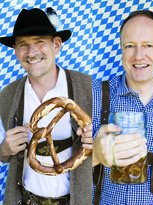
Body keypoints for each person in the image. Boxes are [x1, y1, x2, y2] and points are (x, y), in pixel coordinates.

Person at [0, 8, 93, 205]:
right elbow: (2, 155)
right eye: (23, 45)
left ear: (56, 45)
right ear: (15, 51)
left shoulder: (89, 88)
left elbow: (110, 149)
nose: (31, 52)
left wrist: (98, 139)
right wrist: (5, 149)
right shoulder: (6, 96)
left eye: (39, 42)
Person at [91, 10, 153, 205]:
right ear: (122, 49)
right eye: (130, 46)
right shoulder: (93, 95)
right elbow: (59, 167)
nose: (138, 56)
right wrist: (95, 155)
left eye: (148, 45)